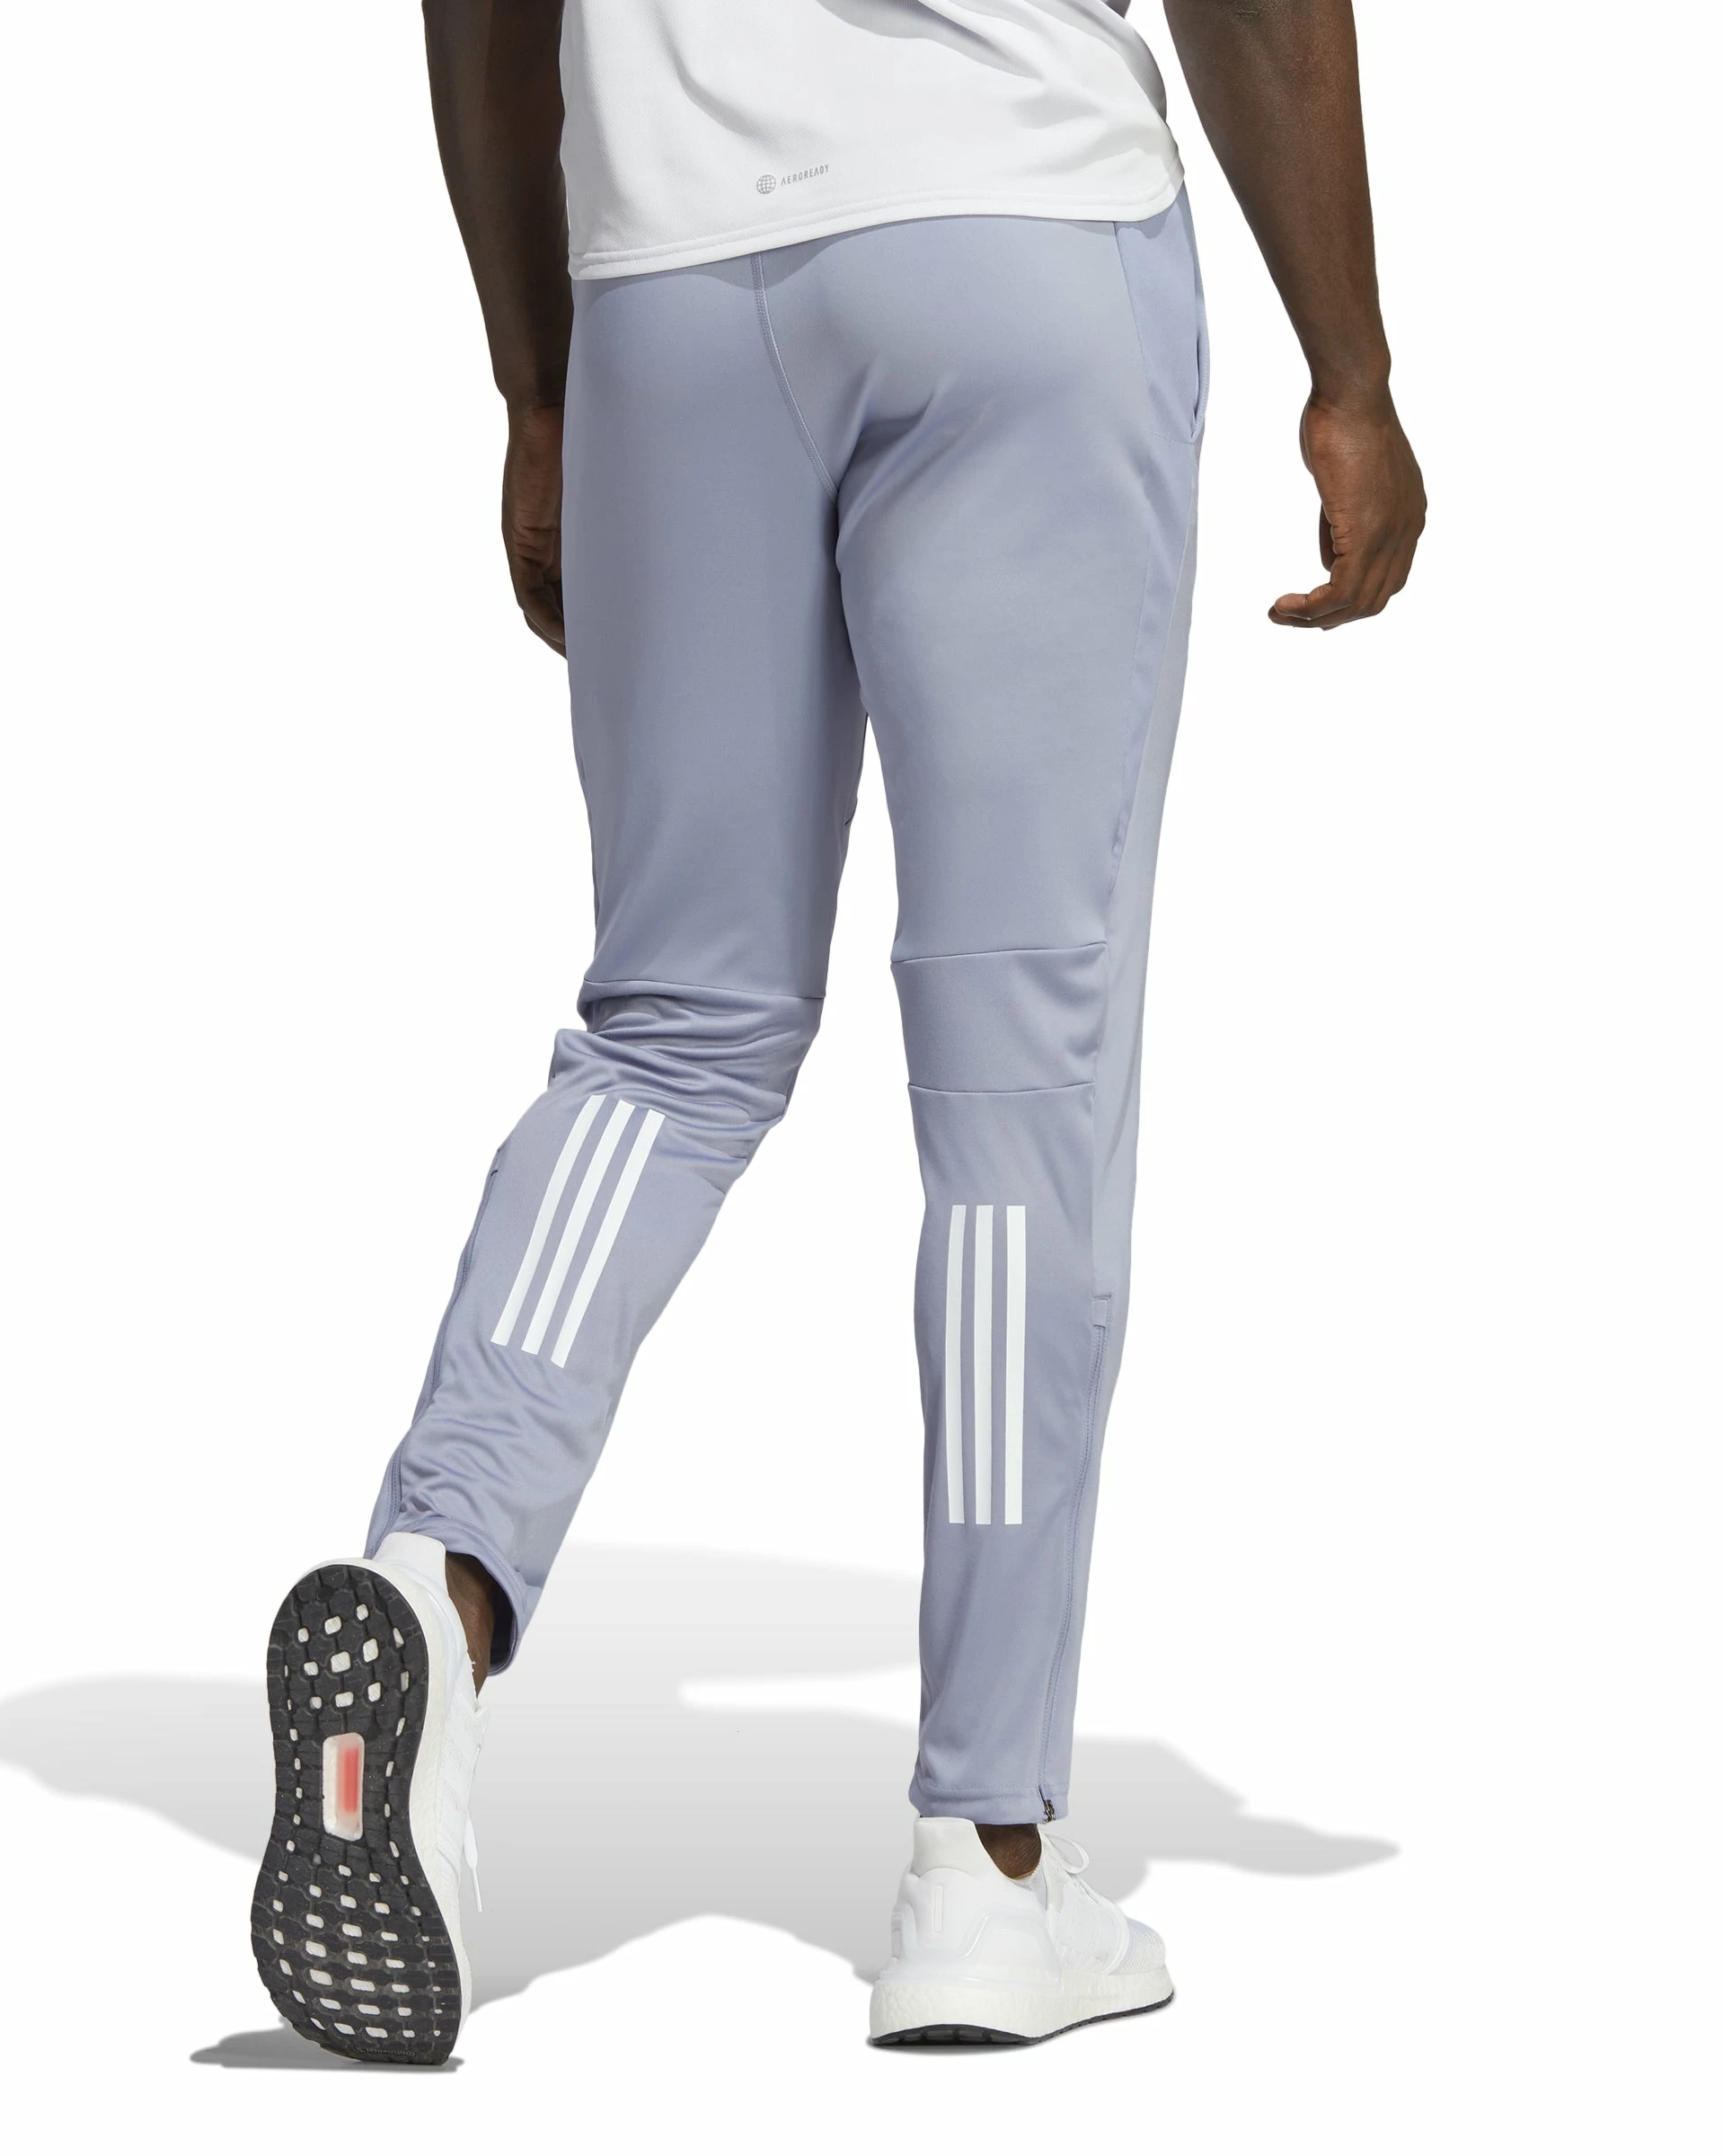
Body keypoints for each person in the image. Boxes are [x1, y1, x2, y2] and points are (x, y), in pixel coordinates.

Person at [251, 0, 1424, 2062]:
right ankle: (987, 1867)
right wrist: (1354, 369)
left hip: (672, 299)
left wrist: (541, 384)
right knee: (1018, 1076)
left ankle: (438, 1577)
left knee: (669, 1035)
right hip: (1020, 242)